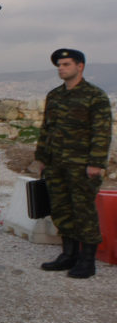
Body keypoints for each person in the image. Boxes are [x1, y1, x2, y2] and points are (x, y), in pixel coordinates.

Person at [33, 48, 111, 279]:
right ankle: (68, 255)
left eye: (66, 64)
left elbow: (102, 132)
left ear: (80, 66)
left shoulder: (95, 96)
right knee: (61, 209)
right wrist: (42, 158)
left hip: (82, 165)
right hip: (56, 164)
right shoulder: (55, 96)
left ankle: (87, 261)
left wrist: (96, 163)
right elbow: (47, 129)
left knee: (84, 211)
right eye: (59, 65)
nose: (61, 68)